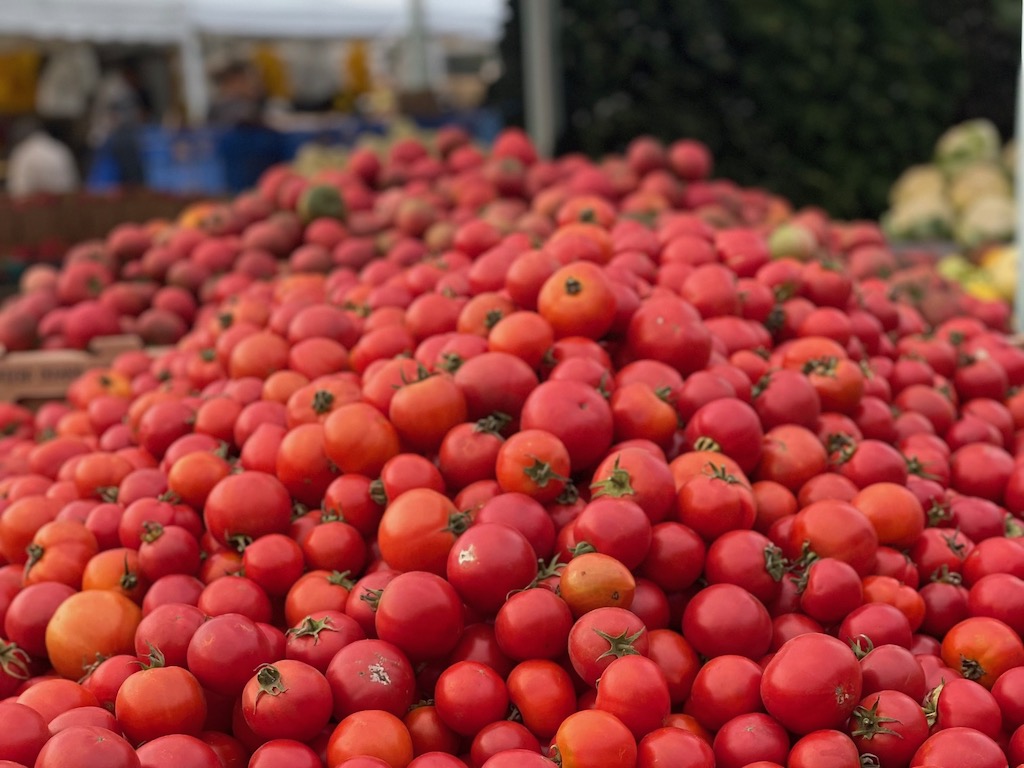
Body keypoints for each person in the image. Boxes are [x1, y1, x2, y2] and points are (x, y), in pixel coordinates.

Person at [5, 118, 79, 198]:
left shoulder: (22, 151)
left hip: (34, 205)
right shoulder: (60, 148)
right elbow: (73, 185)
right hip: (64, 203)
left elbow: (18, 190)